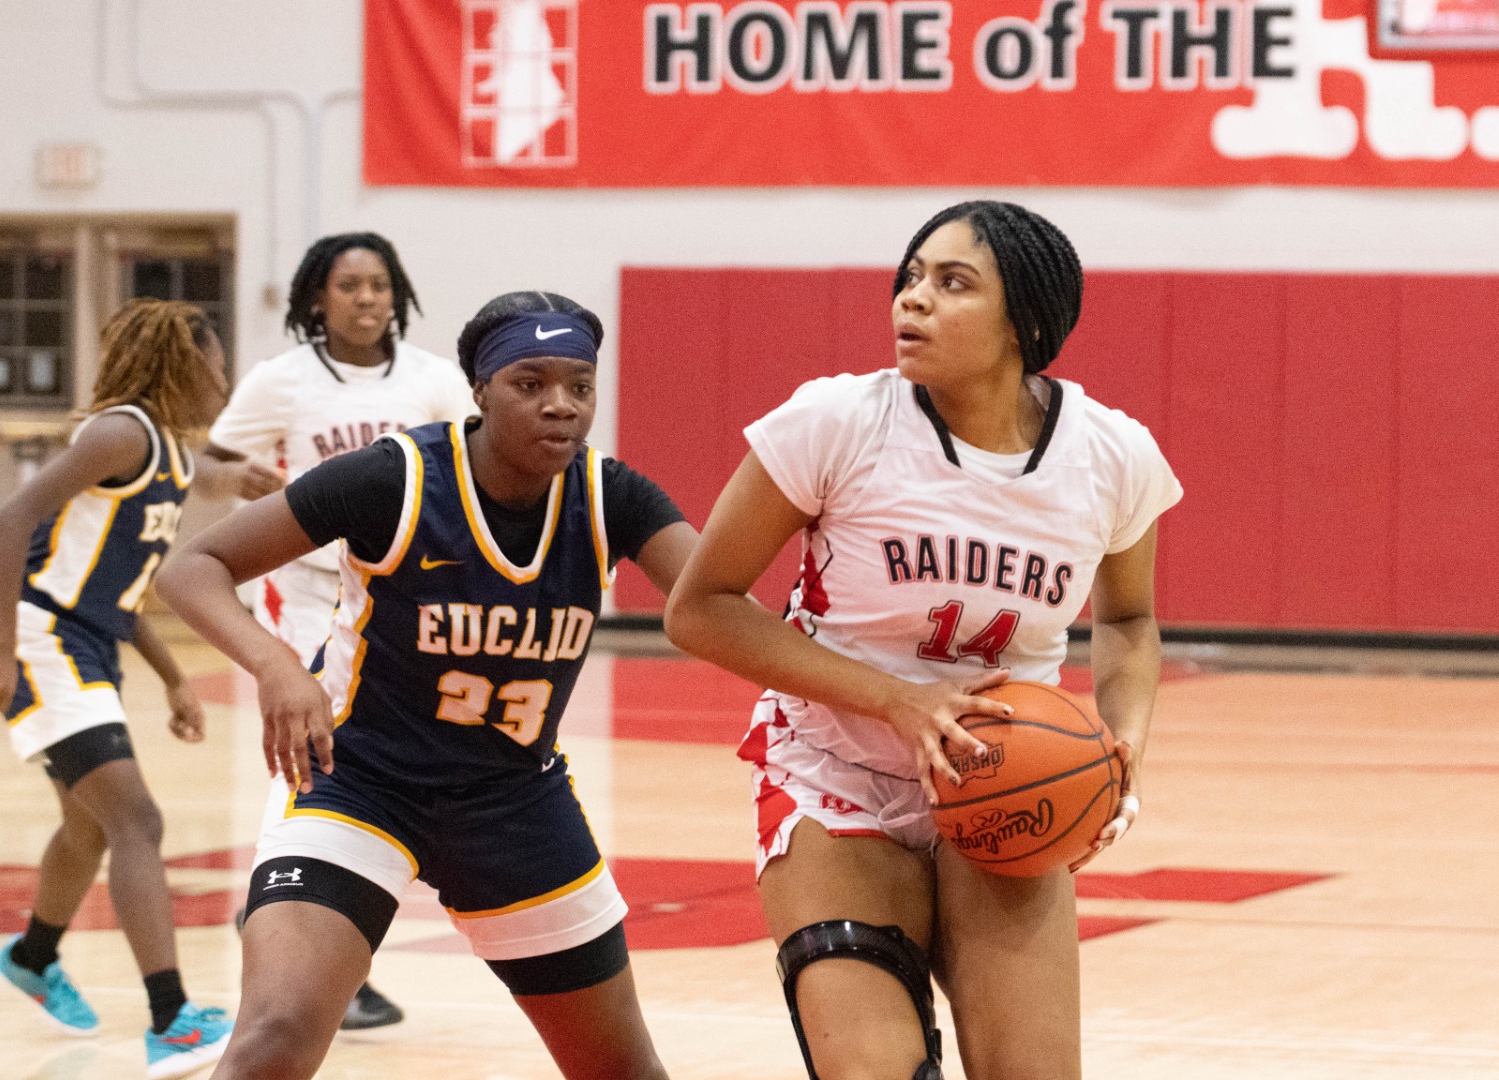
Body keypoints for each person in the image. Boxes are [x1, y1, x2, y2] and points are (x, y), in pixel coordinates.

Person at [664, 200, 1183, 1080]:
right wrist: (899, 701)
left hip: (1003, 779)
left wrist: (1120, 745)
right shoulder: (837, 422)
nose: (913, 301)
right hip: (839, 774)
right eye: (910, 279)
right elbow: (701, 607)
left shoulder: (1111, 456)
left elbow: (1129, 621)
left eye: (952, 284)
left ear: (1024, 320)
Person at [156, 291, 695, 1080]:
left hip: (515, 801)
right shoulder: (394, 477)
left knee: (623, 1069)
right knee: (273, 1039)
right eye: (531, 383)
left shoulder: (614, 496)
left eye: (579, 386)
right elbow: (192, 568)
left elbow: (719, 610)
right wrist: (276, 664)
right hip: (360, 784)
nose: (561, 406)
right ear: (479, 389)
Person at [194, 231, 473, 1030]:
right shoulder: (282, 381)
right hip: (304, 590)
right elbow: (208, 464)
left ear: (398, 294)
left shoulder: (434, 380)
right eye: (349, 286)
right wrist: (231, 478)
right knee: (316, 749)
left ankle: (310, 938)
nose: (366, 299)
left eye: (379, 285)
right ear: (319, 297)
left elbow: (468, 466)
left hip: (398, 593)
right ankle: (302, 947)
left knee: (374, 757)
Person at [0, 299, 237, 1080]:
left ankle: (33, 957)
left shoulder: (165, 451)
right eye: (218, 360)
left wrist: (174, 679)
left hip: (91, 642)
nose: (226, 376)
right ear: (185, 361)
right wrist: (2, 650)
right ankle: (171, 1019)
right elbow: (12, 518)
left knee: (92, 827)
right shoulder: (121, 433)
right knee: (138, 820)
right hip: (44, 639)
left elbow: (121, 588)